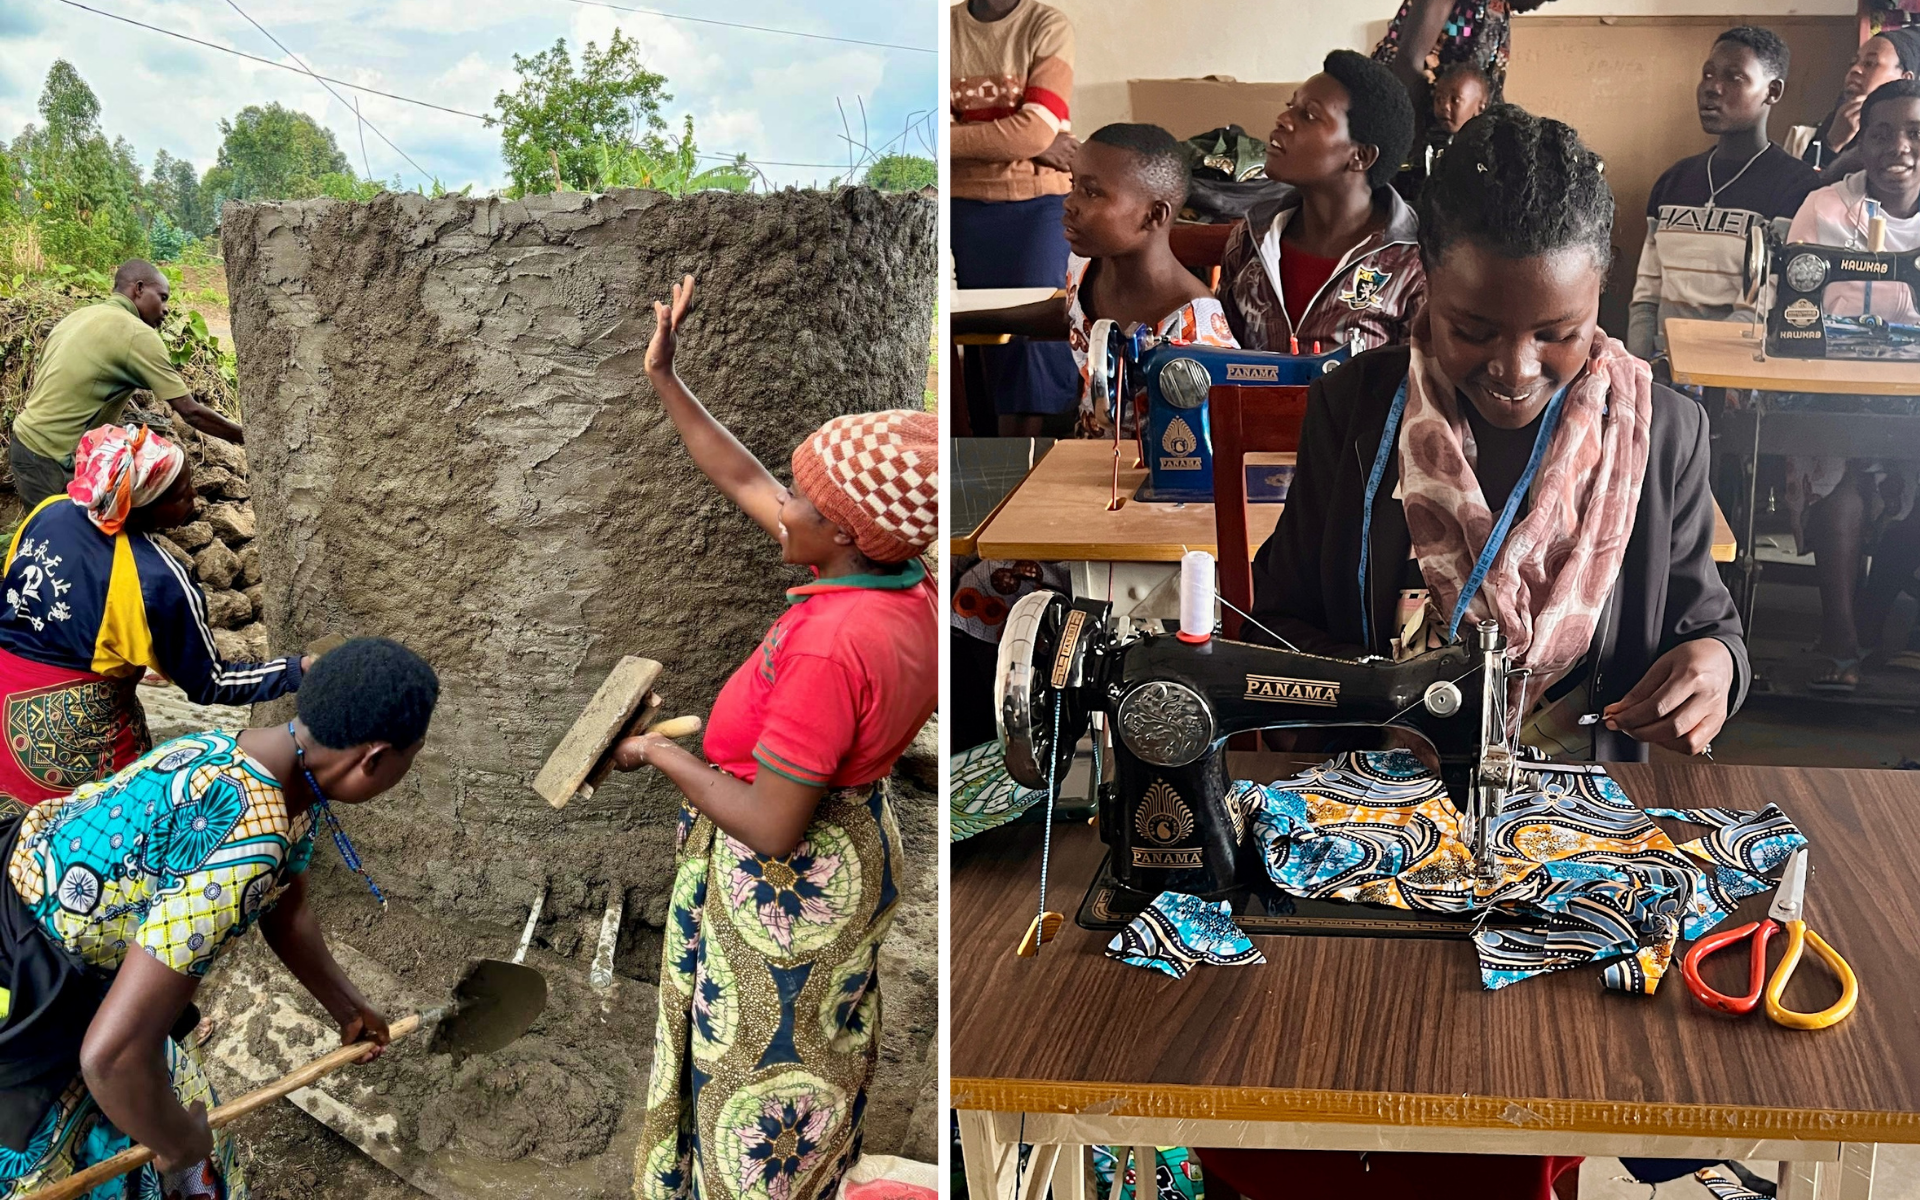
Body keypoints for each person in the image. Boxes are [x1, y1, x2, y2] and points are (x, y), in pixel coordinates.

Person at [1250, 103, 1746, 765]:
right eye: (1474, 330)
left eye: (1557, 334)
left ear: (1603, 288)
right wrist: (1386, 698)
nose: (1514, 370)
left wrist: (1714, 670)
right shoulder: (1356, 413)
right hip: (1381, 801)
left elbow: (1706, 625)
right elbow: (1278, 626)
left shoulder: (1660, 435)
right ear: (1426, 278)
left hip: (1583, 817)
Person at [622, 276, 937, 1200]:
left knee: (756, 1082)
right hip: (849, 845)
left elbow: (770, 826)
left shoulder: (835, 645)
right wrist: (667, 377)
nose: (779, 509)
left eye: (800, 504)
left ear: (839, 533)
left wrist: (660, 753)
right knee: (810, 1057)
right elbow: (739, 474)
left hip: (788, 893)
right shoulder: (891, 580)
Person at [0, 636, 436, 1200]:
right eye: (412, 755)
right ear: (374, 760)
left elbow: (286, 902)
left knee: (178, 1107)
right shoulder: (247, 843)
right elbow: (111, 1057)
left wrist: (348, 1007)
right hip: (35, 999)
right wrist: (182, 1149)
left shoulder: (243, 755)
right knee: (163, 1152)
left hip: (49, 923)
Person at [0, 424, 305, 810]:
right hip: (67, 742)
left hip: (4, 702)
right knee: (94, 834)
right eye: (179, 495)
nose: (194, 500)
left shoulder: (50, 512)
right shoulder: (154, 579)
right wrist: (298, 669)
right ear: (139, 506)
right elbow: (211, 682)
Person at [951, 122, 1237, 434]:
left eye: (1091, 192)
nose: (1069, 202)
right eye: (1073, 185)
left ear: (1154, 215)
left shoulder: (1192, 328)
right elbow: (1074, 316)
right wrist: (961, 320)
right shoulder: (1086, 265)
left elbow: (1209, 445)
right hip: (1087, 459)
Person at [1783, 79, 1920, 692]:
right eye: (1883, 132)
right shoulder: (1825, 209)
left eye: (1915, 132)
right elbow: (1792, 303)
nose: (1899, 147)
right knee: (1838, 484)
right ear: (1861, 143)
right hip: (1831, 388)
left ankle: (1871, 615)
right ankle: (1842, 634)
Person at [1629, 26, 1821, 367]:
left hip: (1735, 373)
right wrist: (1642, 368)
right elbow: (1647, 297)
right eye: (1708, 74)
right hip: (1662, 368)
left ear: (1772, 92)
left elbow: (1764, 305)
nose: (1712, 88)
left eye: (1734, 77)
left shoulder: (1795, 186)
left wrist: (1694, 368)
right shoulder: (1673, 182)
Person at [1218, 51, 1426, 358]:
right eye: (1291, 107)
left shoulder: (1414, 261)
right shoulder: (1252, 239)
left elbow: (1421, 390)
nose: (1283, 120)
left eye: (1309, 115)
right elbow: (1222, 356)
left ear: (1361, 156)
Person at [10, 262, 243, 507]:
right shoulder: (137, 333)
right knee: (63, 540)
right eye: (162, 298)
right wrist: (246, 436)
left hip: (25, 439)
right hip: (51, 457)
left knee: (49, 534)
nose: (165, 310)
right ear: (139, 289)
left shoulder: (80, 316)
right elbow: (191, 412)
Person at [951, 0, 1082, 437]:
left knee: (1031, 336)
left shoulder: (1046, 25)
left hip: (1036, 206)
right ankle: (981, 470)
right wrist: (1030, 142)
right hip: (958, 206)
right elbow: (927, 129)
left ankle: (1025, 472)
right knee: (973, 338)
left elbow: (1035, 129)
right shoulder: (944, 28)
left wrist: (1027, 138)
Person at [1371, 0, 1556, 102]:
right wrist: (1416, 139)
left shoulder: (1498, 11)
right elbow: (1408, 62)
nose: (1538, 5)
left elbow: (1490, 89)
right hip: (1409, 120)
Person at [1789, 27, 1918, 171]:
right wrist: (1831, 143)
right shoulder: (1836, 123)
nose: (1855, 70)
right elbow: (1803, 186)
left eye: (1869, 63)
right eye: (1853, 62)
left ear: (1905, 79)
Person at [1393, 60, 1492, 201]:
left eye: (1455, 100)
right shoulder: (1425, 140)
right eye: (1439, 98)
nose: (1445, 106)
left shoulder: (1483, 154)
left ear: (1479, 108)